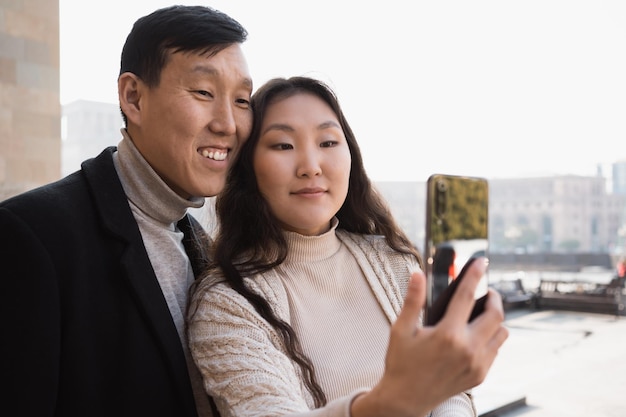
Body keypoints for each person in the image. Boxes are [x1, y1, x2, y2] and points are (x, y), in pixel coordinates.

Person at [187, 76, 509, 417]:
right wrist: (396, 400)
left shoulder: (394, 262)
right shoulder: (227, 303)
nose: (311, 166)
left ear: (350, 155)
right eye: (283, 145)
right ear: (248, 168)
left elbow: (451, 392)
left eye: (327, 143)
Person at [0, 5, 252, 417]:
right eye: (204, 93)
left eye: (242, 100)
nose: (228, 123)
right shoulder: (32, 237)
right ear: (133, 97)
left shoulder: (203, 246)